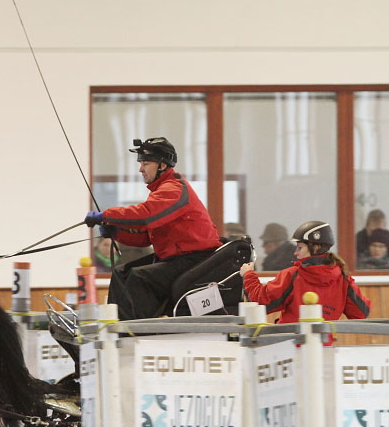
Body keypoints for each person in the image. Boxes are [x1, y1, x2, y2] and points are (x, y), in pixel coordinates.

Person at [84, 137, 221, 320]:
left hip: (196, 259)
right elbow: (146, 237)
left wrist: (106, 215)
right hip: (177, 259)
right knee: (121, 273)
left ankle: (143, 332)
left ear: (163, 165)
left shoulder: (174, 189)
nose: (140, 169)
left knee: (140, 278)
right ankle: (116, 327)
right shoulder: (161, 190)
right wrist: (117, 233)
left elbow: (145, 215)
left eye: (146, 163)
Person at [240, 221, 370, 326]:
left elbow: (259, 302)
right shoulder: (343, 278)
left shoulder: (293, 275)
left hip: (288, 346)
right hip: (324, 347)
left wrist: (248, 275)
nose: (296, 253)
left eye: (300, 248)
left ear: (316, 247)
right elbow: (361, 313)